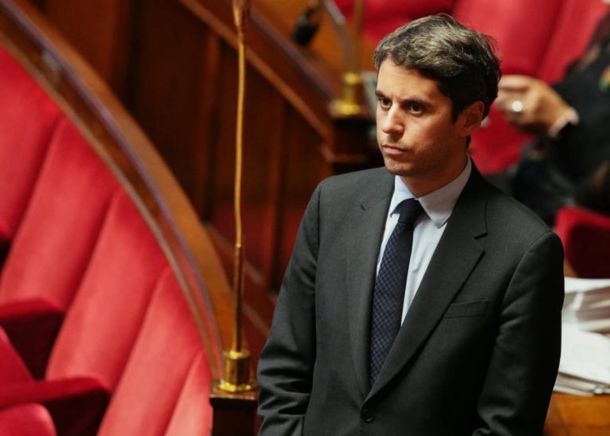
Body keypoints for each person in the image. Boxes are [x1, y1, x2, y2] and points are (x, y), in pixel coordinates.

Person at [258, 14, 564, 435]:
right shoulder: (333, 204)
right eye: (384, 102)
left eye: (415, 108)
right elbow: (285, 369)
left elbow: (505, 426)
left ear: (470, 118)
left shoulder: (525, 251)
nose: (389, 126)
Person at [494, 6, 610, 225]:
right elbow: (574, 93)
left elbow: (598, 193)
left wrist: (562, 123)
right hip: (526, 183)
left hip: (567, 217)